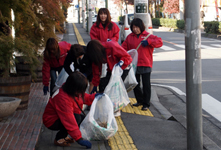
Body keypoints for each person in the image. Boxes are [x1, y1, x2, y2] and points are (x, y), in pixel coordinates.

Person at [43, 71, 100, 148]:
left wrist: (95, 96)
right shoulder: (63, 99)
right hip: (51, 121)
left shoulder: (71, 91)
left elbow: (84, 97)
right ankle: (59, 139)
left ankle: (64, 136)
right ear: (73, 88)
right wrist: (79, 139)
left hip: (59, 117)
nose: (81, 92)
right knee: (76, 119)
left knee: (82, 119)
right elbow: (69, 120)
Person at [121, 18, 163, 111]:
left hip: (146, 63)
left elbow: (160, 42)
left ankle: (146, 104)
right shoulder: (130, 37)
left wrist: (149, 42)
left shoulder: (148, 36)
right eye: (134, 27)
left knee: (146, 85)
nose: (135, 29)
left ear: (141, 27)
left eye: (137, 27)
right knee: (135, 84)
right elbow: (123, 48)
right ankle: (139, 100)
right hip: (134, 65)